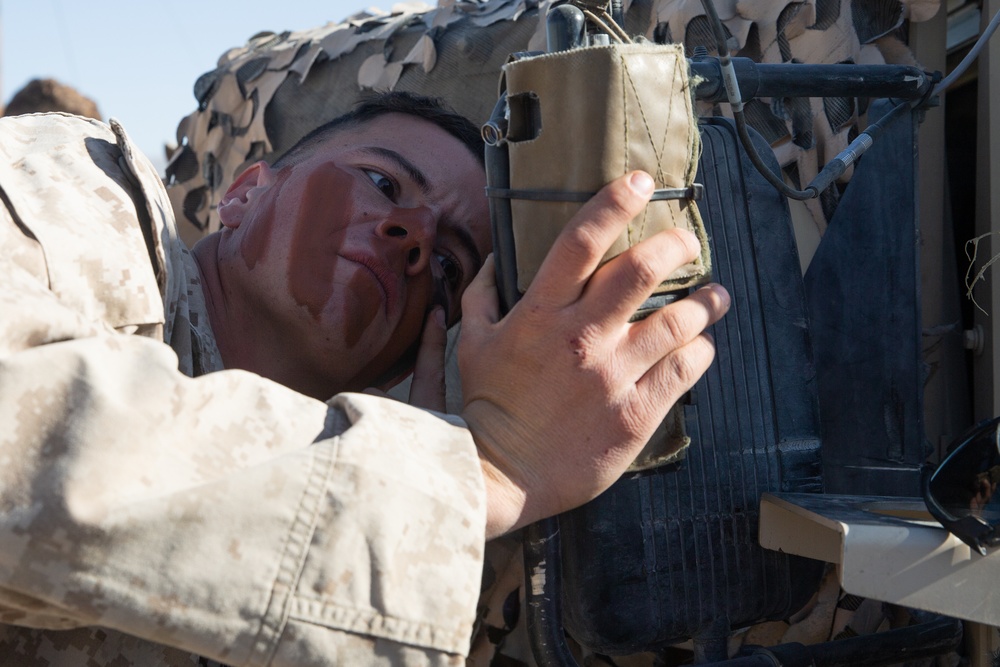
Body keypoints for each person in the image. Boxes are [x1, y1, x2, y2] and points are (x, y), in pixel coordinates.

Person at [0, 92, 729, 666]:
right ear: (245, 192)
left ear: (401, 363)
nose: (413, 236)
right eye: (382, 182)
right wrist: (482, 471)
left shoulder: (363, 517)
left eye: (448, 263)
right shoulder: (88, 182)